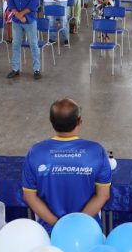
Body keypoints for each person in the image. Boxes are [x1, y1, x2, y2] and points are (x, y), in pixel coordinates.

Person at [22, 99, 111, 233]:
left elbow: (30, 197)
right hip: (86, 230)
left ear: (50, 121)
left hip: (50, 232)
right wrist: (77, 223)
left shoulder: (36, 152)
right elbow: (103, 195)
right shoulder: (96, 151)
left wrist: (58, 225)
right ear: (80, 121)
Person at [7, 0, 42, 80]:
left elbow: (35, 3)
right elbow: (10, 1)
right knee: (15, 44)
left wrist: (22, 14)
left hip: (29, 20)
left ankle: (36, 69)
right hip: (16, 20)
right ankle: (15, 69)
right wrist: (17, 14)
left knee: (33, 45)